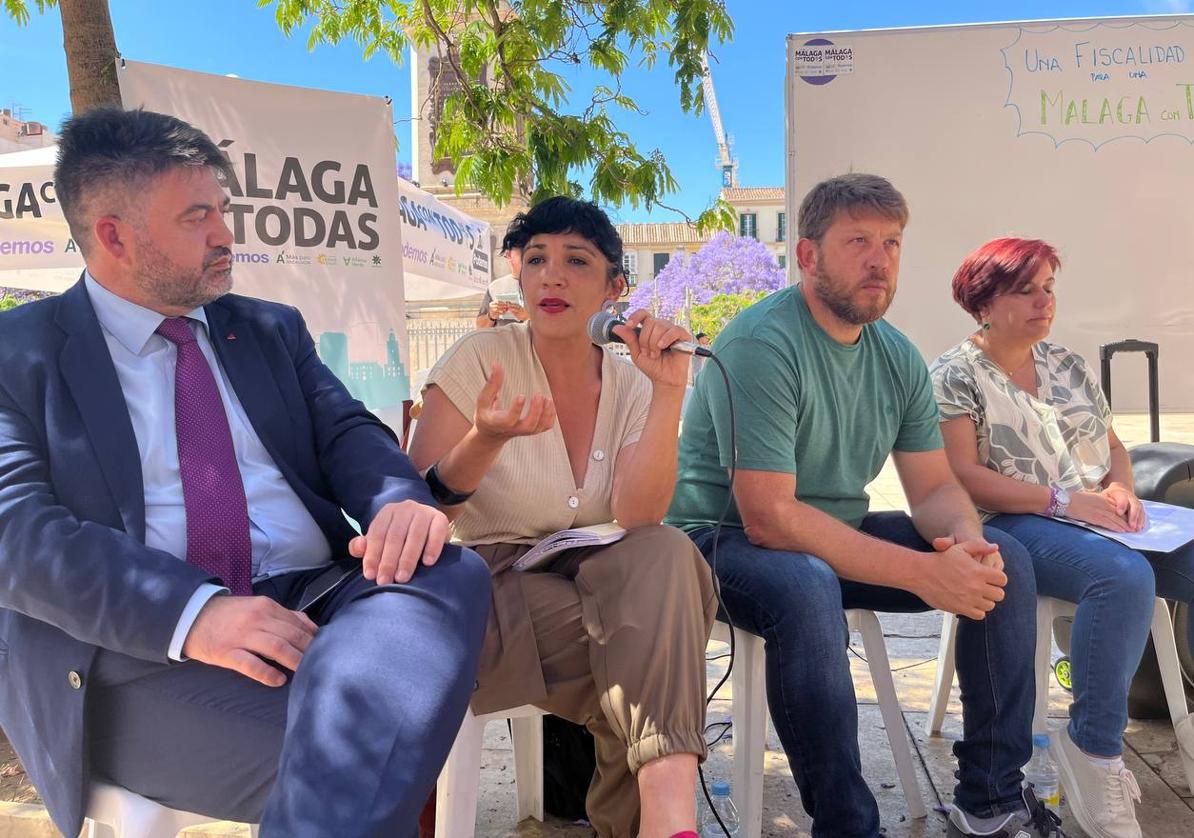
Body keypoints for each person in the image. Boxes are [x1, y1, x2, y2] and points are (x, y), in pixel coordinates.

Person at [0, 108, 491, 838]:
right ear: (113, 235)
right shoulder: (19, 352)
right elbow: (15, 534)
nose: (227, 234)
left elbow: (348, 431)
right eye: (199, 216)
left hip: (314, 605)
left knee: (449, 570)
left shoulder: (268, 329)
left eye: (223, 210)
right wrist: (196, 613)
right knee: (373, 752)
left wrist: (397, 501)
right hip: (136, 656)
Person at [667, 174, 1062, 838]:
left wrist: (964, 542)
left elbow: (934, 488)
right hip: (718, 538)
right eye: (857, 242)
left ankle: (989, 798)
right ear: (808, 256)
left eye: (892, 243)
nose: (879, 260)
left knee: (1007, 562)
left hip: (829, 531)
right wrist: (921, 573)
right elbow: (770, 516)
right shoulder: (763, 344)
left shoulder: (897, 357)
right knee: (804, 583)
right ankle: (848, 825)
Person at [410, 196, 717, 838]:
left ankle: (664, 821)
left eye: (576, 261)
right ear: (518, 277)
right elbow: (417, 511)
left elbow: (639, 515)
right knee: (654, 648)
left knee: (666, 553)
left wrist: (669, 393)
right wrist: (485, 441)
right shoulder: (478, 358)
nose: (551, 276)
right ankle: (668, 821)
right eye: (536, 259)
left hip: (597, 572)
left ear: (614, 287)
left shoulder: (634, 381)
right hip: (486, 584)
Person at [930, 237, 1194, 838]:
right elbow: (963, 477)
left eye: (1048, 287)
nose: (1043, 301)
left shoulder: (1068, 364)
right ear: (983, 300)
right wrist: (1065, 501)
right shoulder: (954, 374)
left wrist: (1121, 489)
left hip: (1094, 515)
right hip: (1013, 522)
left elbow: (1114, 449)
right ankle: (1094, 752)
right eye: (1025, 289)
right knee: (1123, 577)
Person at [474, 248, 529, 329]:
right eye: (522, 253)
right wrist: (491, 316)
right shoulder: (495, 287)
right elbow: (479, 327)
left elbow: (553, 324)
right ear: (508, 255)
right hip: (502, 340)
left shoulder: (545, 285)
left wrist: (527, 316)